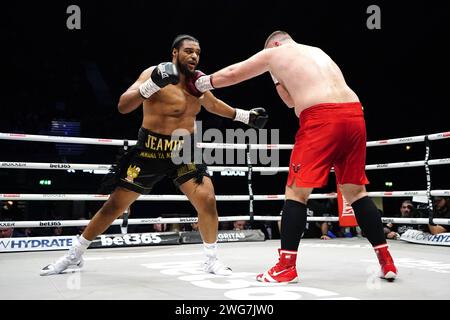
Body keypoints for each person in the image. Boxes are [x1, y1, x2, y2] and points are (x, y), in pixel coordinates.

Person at [40, 34, 268, 276]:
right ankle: (74, 255)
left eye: (197, 52)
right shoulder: (153, 73)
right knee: (114, 205)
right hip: (150, 149)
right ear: (174, 53)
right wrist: (152, 85)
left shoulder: (196, 83)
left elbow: (213, 104)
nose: (194, 56)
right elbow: (123, 105)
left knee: (207, 200)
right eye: (188, 51)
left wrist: (245, 116)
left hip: (184, 149)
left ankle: (211, 259)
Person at [193, 31, 397, 282]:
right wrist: (278, 80)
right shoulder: (318, 51)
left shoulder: (275, 52)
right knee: (356, 192)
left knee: (296, 193)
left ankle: (286, 266)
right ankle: (386, 262)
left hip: (321, 118)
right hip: (354, 115)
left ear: (275, 44)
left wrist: (202, 83)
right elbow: (290, 101)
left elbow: (234, 73)